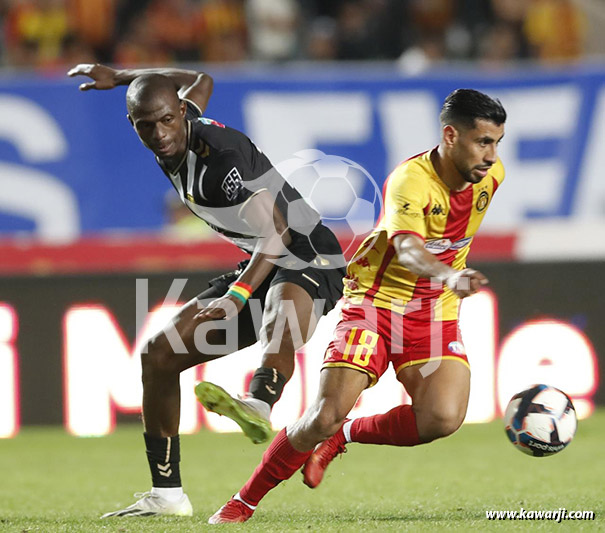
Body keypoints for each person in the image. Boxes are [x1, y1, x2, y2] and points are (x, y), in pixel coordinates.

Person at [208, 88, 507, 524]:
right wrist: (450, 275)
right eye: (483, 142)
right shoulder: (411, 181)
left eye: (497, 142)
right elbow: (406, 249)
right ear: (450, 135)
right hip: (375, 302)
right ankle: (243, 501)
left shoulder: (492, 176)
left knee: (442, 417)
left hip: (432, 308)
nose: (491, 154)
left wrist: (445, 283)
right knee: (323, 416)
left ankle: (347, 435)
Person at [67, 63, 345, 518]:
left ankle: (257, 401)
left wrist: (236, 296)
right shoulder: (179, 116)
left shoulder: (221, 162)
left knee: (279, 308)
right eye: (146, 125)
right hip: (259, 259)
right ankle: (167, 495)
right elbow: (201, 77)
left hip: (308, 252)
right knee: (159, 355)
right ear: (133, 123)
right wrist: (119, 77)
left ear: (181, 113)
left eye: (166, 120)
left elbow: (276, 238)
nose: (159, 133)